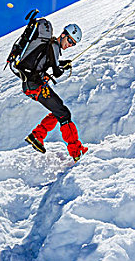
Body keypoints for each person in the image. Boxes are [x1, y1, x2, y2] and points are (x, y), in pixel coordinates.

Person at [18, 22, 88, 161]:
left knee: (59, 110)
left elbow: (51, 62)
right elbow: (56, 72)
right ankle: (76, 151)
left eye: (73, 44)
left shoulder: (51, 45)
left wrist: (63, 64)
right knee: (64, 114)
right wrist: (62, 68)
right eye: (69, 40)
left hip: (31, 85)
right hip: (36, 86)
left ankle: (36, 136)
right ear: (63, 34)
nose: (69, 45)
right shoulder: (54, 46)